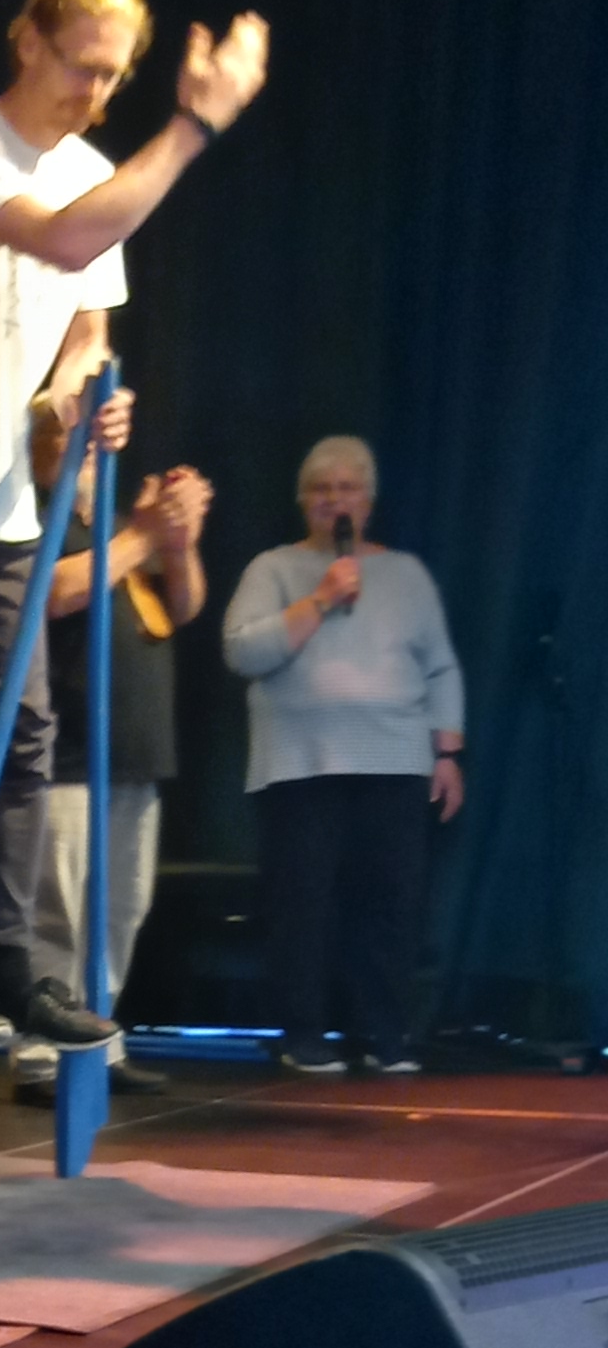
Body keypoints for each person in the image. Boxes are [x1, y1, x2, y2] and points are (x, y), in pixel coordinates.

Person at [0, 0, 268, 1049]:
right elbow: (67, 236)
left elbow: (85, 327)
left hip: (1, 491)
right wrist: (191, 130)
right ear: (27, 40)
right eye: (81, 66)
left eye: (114, 76)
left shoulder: (91, 167)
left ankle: (2, 955)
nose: (94, 92)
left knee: (24, 724)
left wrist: (75, 397)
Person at [221, 434, 465, 1077]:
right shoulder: (273, 569)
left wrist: (446, 752)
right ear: (304, 501)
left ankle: (384, 1034)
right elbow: (242, 651)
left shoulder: (406, 574)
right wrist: (321, 599)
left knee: (388, 905)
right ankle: (304, 1034)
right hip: (300, 764)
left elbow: (440, 667)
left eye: (347, 489)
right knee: (302, 905)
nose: (335, 500)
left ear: (369, 502)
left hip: (396, 762)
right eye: (322, 490)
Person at [9, 410, 212, 1107]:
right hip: (65, 754)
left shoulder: (116, 530)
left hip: (133, 755)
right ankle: (42, 1051)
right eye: (79, 438)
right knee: (58, 911)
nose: (95, 450)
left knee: (119, 910)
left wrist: (176, 541)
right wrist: (146, 535)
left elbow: (183, 605)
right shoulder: (35, 516)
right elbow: (54, 592)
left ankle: (97, 1038)